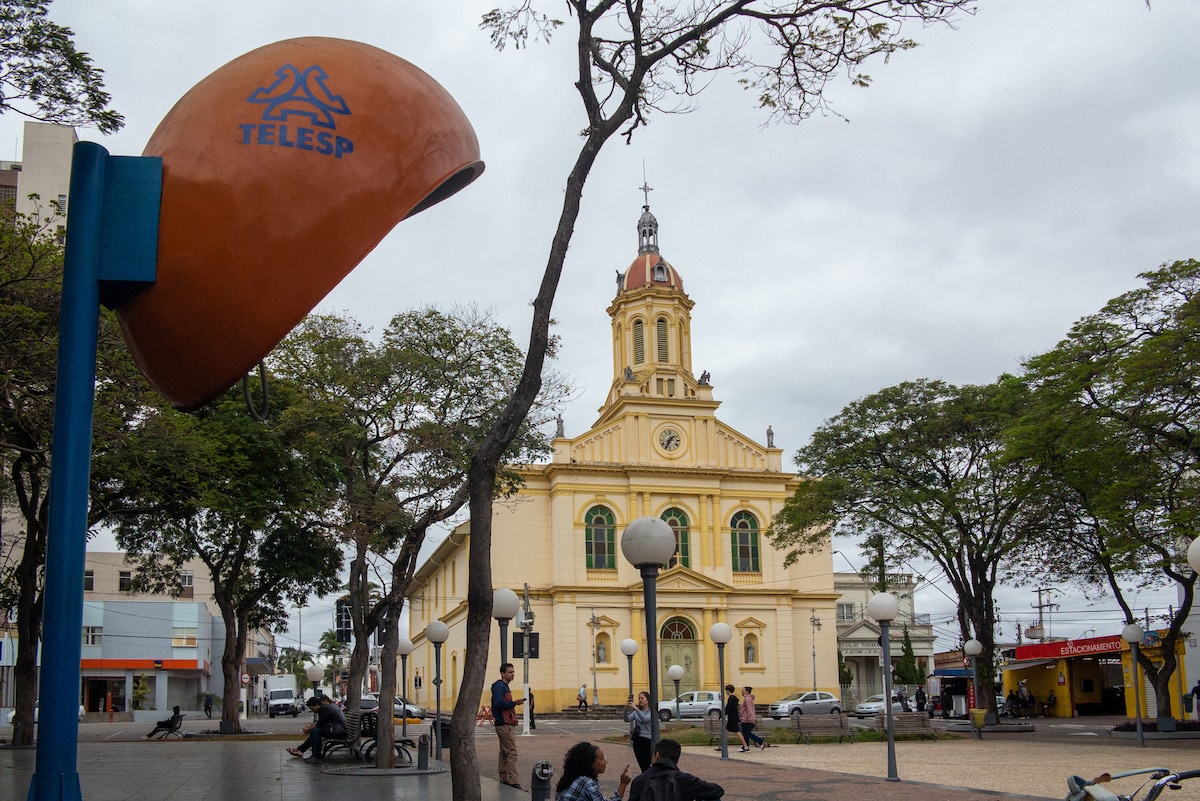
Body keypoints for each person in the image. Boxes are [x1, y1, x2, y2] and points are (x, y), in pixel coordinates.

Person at [629, 738, 724, 801]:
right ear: (677, 760)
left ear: (657, 755)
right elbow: (718, 791)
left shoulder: (640, 780)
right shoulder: (686, 780)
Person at [555, 741, 632, 801]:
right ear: (590, 762)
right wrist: (623, 784)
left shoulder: (570, 778)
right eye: (602, 759)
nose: (605, 762)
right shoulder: (586, 782)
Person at [491, 662, 525, 789]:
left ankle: (504, 777)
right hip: (504, 723)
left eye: (513, 672)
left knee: (504, 752)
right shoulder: (501, 686)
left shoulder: (502, 686)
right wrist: (514, 703)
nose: (512, 674)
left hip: (504, 722)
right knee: (511, 752)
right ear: (503, 673)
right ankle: (513, 781)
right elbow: (499, 703)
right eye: (510, 672)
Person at [286, 695, 346, 763]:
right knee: (315, 732)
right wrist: (310, 728)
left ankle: (316, 755)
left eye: (312, 708)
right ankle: (300, 750)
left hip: (337, 732)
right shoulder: (324, 708)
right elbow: (321, 723)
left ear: (316, 704)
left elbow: (320, 724)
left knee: (316, 732)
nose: (312, 711)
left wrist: (309, 729)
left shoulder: (323, 709)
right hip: (335, 730)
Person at [624, 692, 653, 771]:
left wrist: (635, 708)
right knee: (642, 764)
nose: (640, 700)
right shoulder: (637, 712)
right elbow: (627, 719)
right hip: (638, 740)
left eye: (642, 698)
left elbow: (645, 719)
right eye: (639, 698)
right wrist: (626, 709)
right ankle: (644, 777)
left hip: (648, 740)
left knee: (648, 763)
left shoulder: (651, 712)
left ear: (648, 700)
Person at [738, 686, 768, 751]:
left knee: (746, 733)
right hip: (746, 719)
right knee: (746, 733)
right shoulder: (748, 698)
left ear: (747, 692)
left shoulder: (747, 699)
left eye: (743, 691)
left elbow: (749, 709)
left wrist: (750, 718)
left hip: (746, 719)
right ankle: (746, 746)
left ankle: (759, 742)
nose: (741, 692)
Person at [721, 684, 746, 752]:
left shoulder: (731, 698)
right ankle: (722, 746)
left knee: (737, 732)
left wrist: (722, 715)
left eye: (726, 690)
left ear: (728, 691)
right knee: (726, 731)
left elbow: (728, 708)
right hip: (733, 718)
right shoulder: (734, 698)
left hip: (732, 718)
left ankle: (746, 746)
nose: (726, 692)